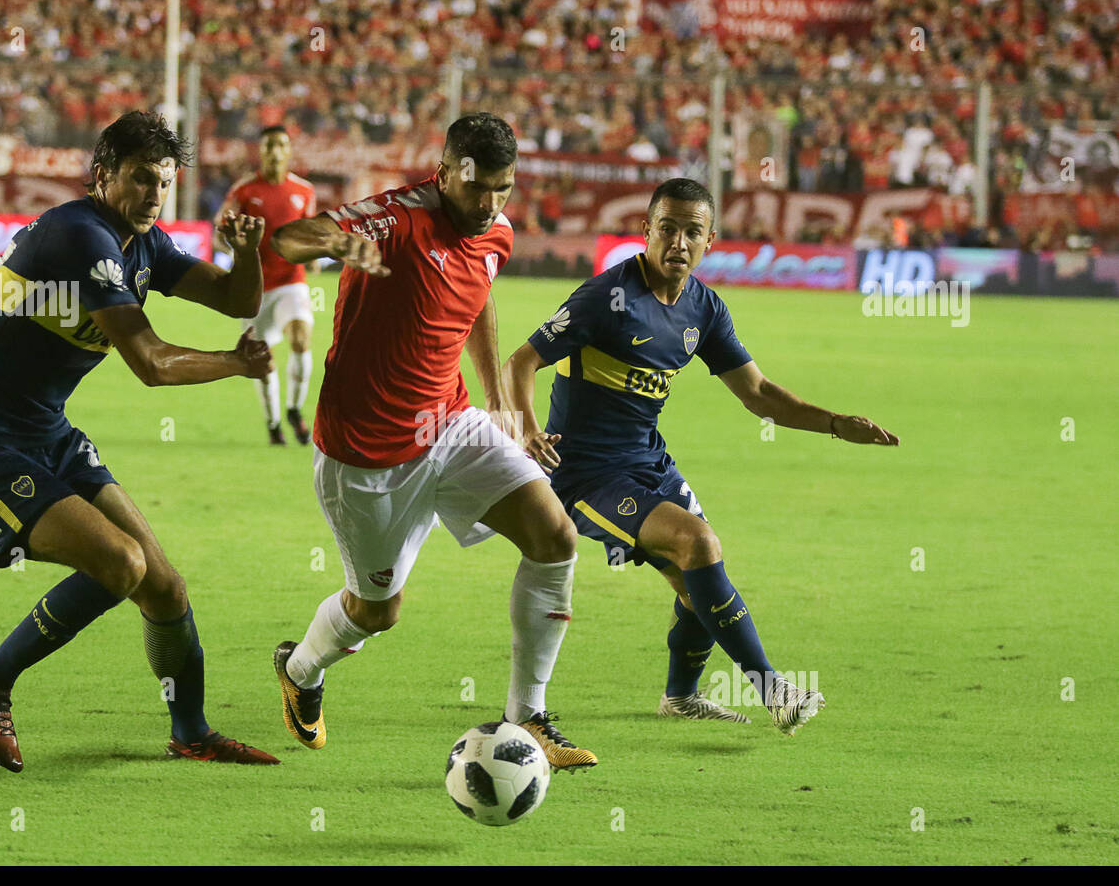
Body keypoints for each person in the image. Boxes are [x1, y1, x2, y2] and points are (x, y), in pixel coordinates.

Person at [0, 111, 280, 771]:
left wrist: (250, 251)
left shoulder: (144, 244)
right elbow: (148, 363)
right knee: (120, 565)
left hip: (47, 434)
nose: (155, 194)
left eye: (166, 182)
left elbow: (235, 299)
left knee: (165, 589)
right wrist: (235, 364)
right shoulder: (79, 235)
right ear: (102, 176)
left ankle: (191, 731)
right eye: (142, 179)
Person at [503, 178, 899, 734]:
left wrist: (834, 424)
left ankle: (681, 697)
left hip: (649, 463)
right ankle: (774, 689)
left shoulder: (704, 308)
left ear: (710, 240)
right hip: (586, 476)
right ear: (646, 231)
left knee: (699, 578)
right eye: (667, 228)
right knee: (699, 544)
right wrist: (524, 431)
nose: (678, 243)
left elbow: (758, 394)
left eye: (693, 232)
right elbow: (519, 362)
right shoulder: (606, 297)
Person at [267, 113, 597, 771]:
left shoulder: (495, 230)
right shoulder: (396, 218)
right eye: (477, 189)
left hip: (450, 424)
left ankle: (527, 718)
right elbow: (294, 238)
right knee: (376, 613)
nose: (490, 204)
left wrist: (500, 401)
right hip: (366, 454)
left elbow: (478, 294)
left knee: (555, 537)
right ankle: (301, 669)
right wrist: (337, 243)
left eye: (503, 189)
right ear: (443, 173)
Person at [214, 126, 317, 445]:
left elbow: (311, 230)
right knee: (263, 360)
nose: (275, 151)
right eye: (269, 145)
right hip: (256, 289)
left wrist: (313, 252)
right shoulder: (244, 190)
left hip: (292, 283)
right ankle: (273, 424)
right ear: (261, 150)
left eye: (281, 145)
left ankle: (294, 410)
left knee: (301, 338)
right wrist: (235, 248)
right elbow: (220, 232)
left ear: (288, 151)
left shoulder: (304, 191)